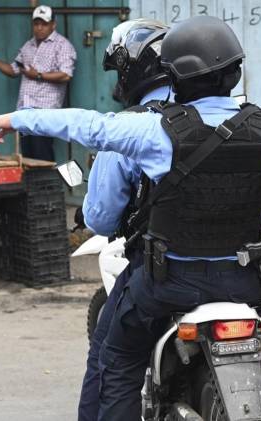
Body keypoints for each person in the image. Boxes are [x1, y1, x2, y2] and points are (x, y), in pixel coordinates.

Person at [0, 16, 261, 421]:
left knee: (116, 360)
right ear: (235, 72)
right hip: (247, 280)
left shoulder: (155, 131)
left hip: (170, 285)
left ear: (177, 76)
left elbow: (87, 126)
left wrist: (11, 119)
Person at [77, 19, 171, 421]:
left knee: (109, 359)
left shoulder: (130, 129)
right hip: (244, 272)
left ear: (133, 67)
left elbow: (99, 216)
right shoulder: (244, 122)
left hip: (162, 276)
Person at [0, 5, 76, 161]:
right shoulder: (28, 46)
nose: (39, 28)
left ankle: (48, 186)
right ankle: (33, 186)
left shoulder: (62, 45)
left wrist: (37, 75)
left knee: (42, 155)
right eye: (36, 24)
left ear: (53, 25)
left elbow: (66, 75)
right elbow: (13, 70)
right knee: (28, 157)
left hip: (45, 112)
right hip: (24, 111)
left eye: (44, 24)